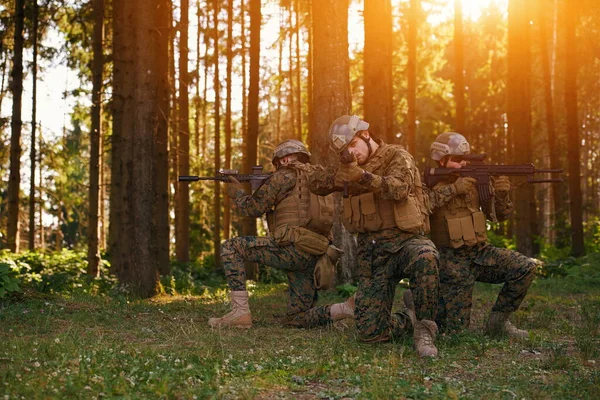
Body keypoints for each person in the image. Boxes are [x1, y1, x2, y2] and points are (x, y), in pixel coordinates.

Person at [309, 115, 440, 357]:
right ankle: (410, 317)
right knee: (371, 335)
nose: (351, 153)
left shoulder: (397, 155)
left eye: (353, 145)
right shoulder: (347, 167)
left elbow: (399, 188)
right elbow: (315, 182)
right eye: (345, 150)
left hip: (406, 244)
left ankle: (425, 330)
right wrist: (337, 178)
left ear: (365, 135)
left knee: (426, 255)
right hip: (373, 254)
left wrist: (362, 177)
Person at [208, 139, 354, 329]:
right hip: (314, 253)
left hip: (292, 249)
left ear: (284, 160)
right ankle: (343, 309)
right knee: (297, 318)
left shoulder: (285, 176)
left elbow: (254, 208)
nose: (282, 164)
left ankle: (240, 313)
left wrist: (237, 193)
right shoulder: (318, 176)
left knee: (231, 247)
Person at [427, 132, 536, 337]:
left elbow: (499, 216)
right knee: (455, 332)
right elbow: (421, 207)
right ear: (441, 159)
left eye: (465, 159)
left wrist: (502, 195)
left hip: (481, 254)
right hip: (449, 261)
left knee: (524, 267)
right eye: (458, 160)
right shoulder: (429, 183)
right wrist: (453, 190)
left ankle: (498, 324)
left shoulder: (475, 184)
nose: (463, 164)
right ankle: (418, 301)